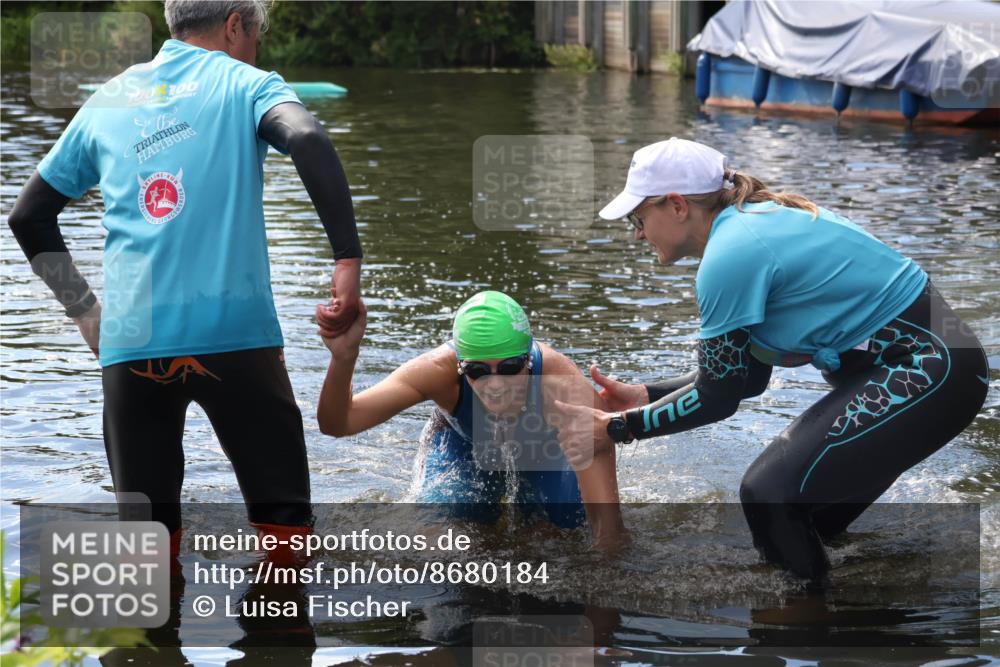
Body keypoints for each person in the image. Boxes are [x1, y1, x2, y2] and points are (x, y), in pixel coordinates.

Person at [7, 0, 363, 555]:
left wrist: (85, 312)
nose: (253, 51)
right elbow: (308, 139)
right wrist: (346, 259)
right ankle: (282, 633)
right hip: (236, 338)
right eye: (254, 38)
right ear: (233, 26)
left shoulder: (110, 97)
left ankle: (151, 638)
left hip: (132, 345)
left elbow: (28, 215)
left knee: (147, 550)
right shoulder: (248, 84)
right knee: (285, 536)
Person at [555, 138, 989, 580]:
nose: (637, 233)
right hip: (941, 366)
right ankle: (856, 628)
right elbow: (745, 379)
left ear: (677, 205)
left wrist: (618, 428)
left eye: (639, 217)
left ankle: (800, 629)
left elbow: (717, 398)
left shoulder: (730, 256)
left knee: (769, 494)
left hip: (930, 368)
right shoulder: (748, 226)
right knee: (803, 528)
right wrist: (644, 396)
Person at [316, 290, 626, 549]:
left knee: (565, 533)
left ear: (528, 362)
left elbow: (610, 533)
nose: (496, 385)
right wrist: (344, 358)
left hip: (546, 450)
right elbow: (338, 423)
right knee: (442, 542)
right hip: (462, 446)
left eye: (508, 368)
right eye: (477, 371)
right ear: (461, 367)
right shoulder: (437, 372)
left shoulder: (565, 388)